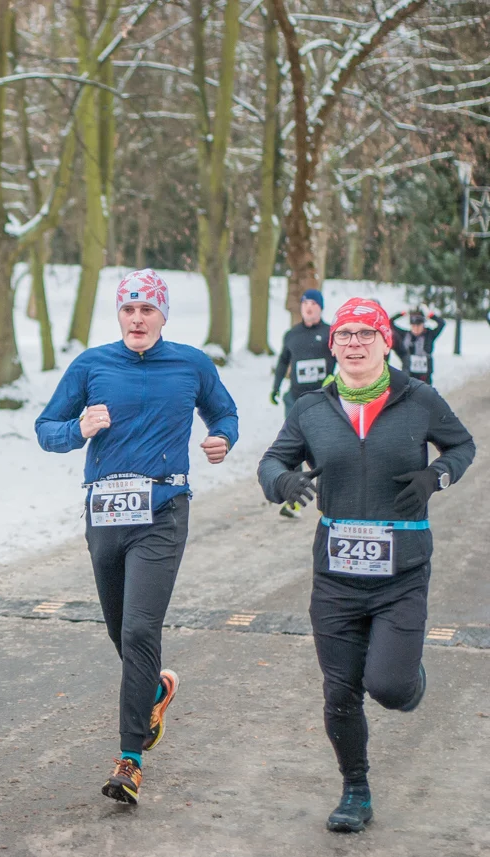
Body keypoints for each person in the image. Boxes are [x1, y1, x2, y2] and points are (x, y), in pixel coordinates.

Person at [258, 297, 475, 833]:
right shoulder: (312, 407)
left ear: (385, 341)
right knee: (339, 691)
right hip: (335, 577)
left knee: (389, 688)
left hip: (402, 573)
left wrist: (436, 476)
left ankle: (407, 680)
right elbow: (272, 461)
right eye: (345, 335)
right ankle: (355, 789)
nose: (354, 343)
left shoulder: (419, 399)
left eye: (366, 333)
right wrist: (283, 481)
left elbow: (462, 446)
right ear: (333, 346)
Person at [35, 268, 239, 807]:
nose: (137, 318)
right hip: (105, 513)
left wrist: (221, 437)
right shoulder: (91, 365)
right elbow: (46, 429)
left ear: (162, 315)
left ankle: (130, 759)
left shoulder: (191, 364)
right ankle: (153, 690)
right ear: (119, 315)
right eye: (128, 309)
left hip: (163, 510)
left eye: (147, 309)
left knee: (141, 628)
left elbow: (225, 412)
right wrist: (78, 429)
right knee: (121, 632)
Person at [270, 289, 335, 518]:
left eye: (313, 304)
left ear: (321, 308)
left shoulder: (330, 333)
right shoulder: (291, 334)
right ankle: (294, 501)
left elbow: (345, 360)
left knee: (323, 451)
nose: (309, 307)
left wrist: (336, 380)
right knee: (294, 448)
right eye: (305, 303)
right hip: (296, 401)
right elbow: (283, 361)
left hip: (323, 401)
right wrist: (276, 387)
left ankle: (334, 497)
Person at [390, 306, 446, 386]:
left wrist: (430, 315)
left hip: (424, 375)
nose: (416, 328)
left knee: (424, 391)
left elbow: (442, 323)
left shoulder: (429, 335)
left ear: (423, 325)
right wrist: (402, 313)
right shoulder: (405, 335)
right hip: (408, 373)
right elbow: (390, 322)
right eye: (413, 326)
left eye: (419, 326)